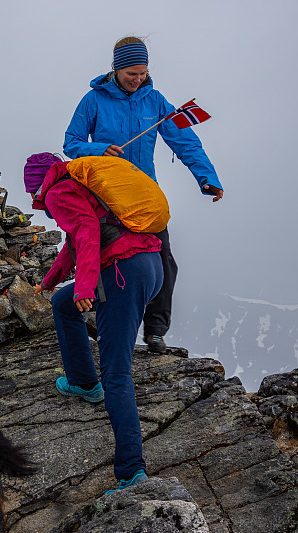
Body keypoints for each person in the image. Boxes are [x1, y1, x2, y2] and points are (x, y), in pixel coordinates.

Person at [63, 36, 223, 353]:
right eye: (130, 73)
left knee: (163, 260)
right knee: (105, 258)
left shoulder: (155, 101)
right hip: (105, 196)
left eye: (142, 73)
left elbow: (185, 141)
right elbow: (71, 143)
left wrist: (207, 178)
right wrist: (98, 150)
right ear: (116, 69)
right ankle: (97, 322)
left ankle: (155, 332)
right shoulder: (93, 100)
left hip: (145, 197)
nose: (137, 80)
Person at [25, 153, 163, 493]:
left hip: (121, 273)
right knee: (61, 302)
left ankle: (132, 472)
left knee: (117, 372)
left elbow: (87, 232)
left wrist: (85, 286)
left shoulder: (58, 193)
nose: (33, 199)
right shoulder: (79, 185)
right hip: (149, 265)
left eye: (31, 191)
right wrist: (48, 282)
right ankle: (85, 383)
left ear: (36, 185)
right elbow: (75, 244)